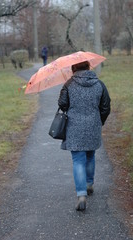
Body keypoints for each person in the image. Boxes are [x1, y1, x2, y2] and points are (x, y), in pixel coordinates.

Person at [58, 61, 111, 211]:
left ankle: (81, 195)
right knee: (90, 155)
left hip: (74, 127)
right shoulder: (99, 84)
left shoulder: (68, 84)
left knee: (78, 160)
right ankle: (89, 184)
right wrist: (99, 121)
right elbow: (106, 106)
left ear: (73, 68)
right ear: (88, 67)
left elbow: (62, 104)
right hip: (93, 125)